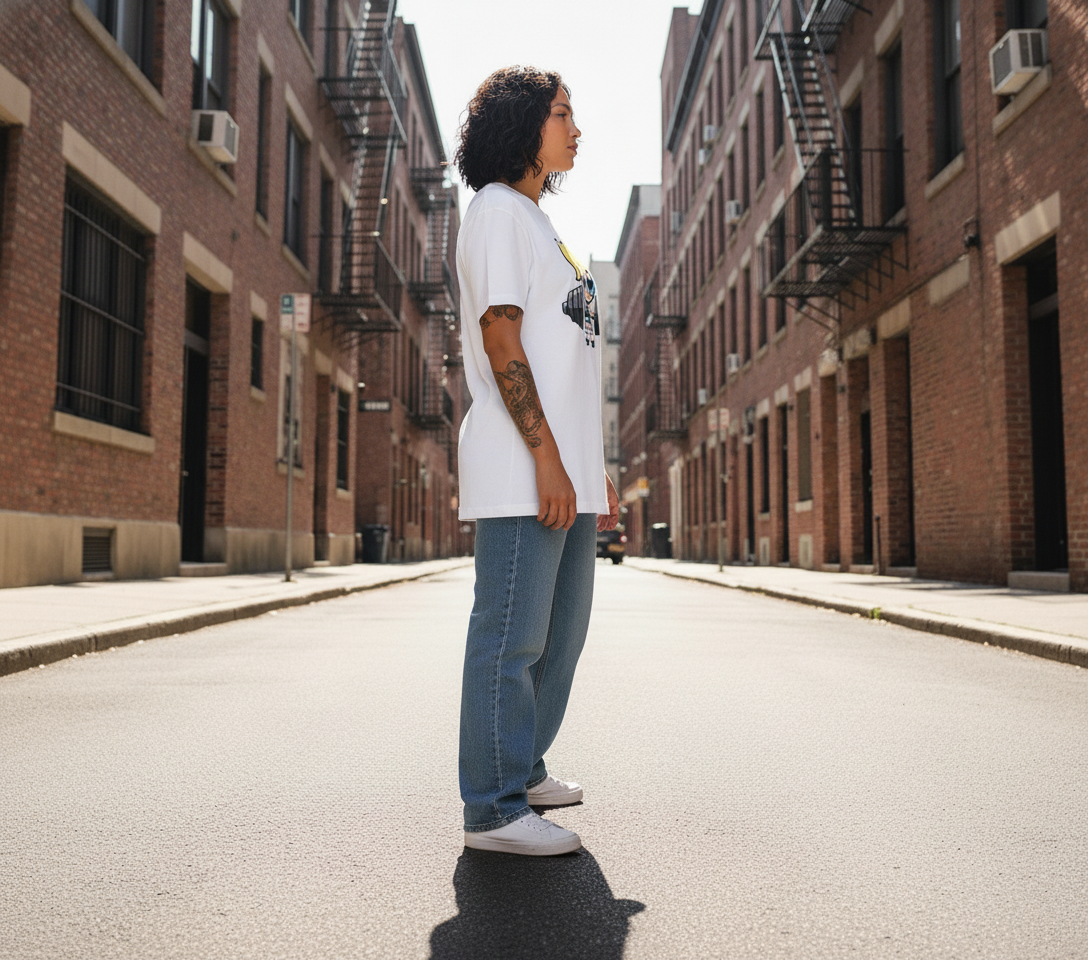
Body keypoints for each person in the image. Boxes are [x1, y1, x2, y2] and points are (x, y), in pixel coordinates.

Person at [453, 65, 620, 856]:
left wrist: (591, 464)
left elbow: (567, 357)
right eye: (562, 114)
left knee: (560, 638)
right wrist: (550, 460)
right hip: (524, 470)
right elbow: (501, 338)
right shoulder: (495, 212)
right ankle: (491, 808)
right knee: (511, 638)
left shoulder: (538, 223)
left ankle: (521, 769)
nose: (575, 129)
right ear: (523, 126)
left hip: (566, 469)